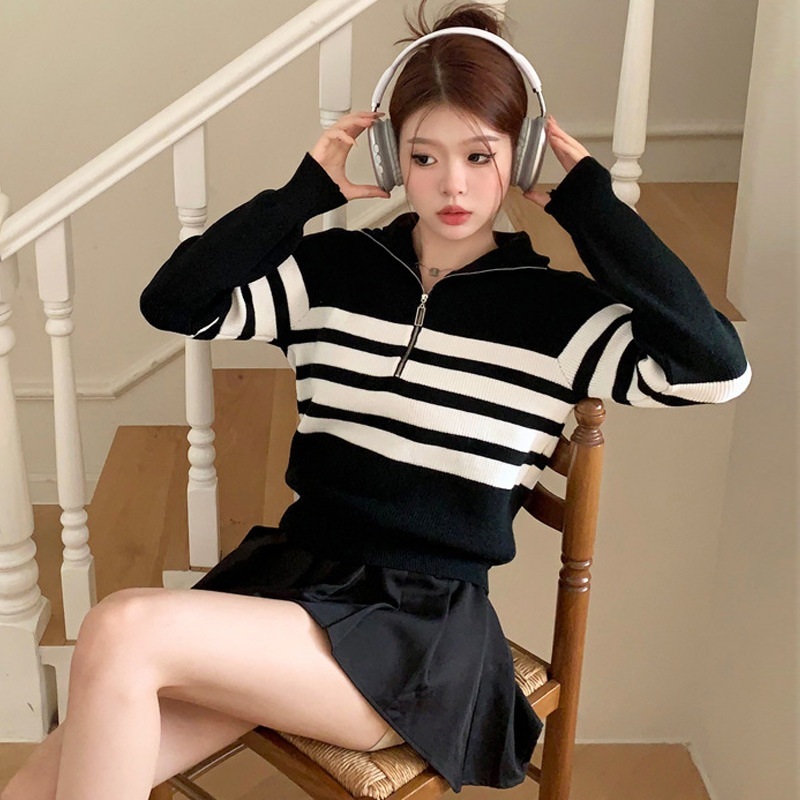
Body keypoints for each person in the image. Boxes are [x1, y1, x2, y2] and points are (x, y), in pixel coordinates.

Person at [2, 2, 752, 800]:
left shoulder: (559, 315)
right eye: (425, 157)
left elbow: (715, 368)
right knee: (51, 775)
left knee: (120, 630)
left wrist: (592, 205)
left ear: (522, 153)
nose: (453, 184)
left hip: (416, 640)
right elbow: (174, 303)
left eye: (480, 155)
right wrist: (300, 195)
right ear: (394, 158)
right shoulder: (335, 270)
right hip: (295, 587)